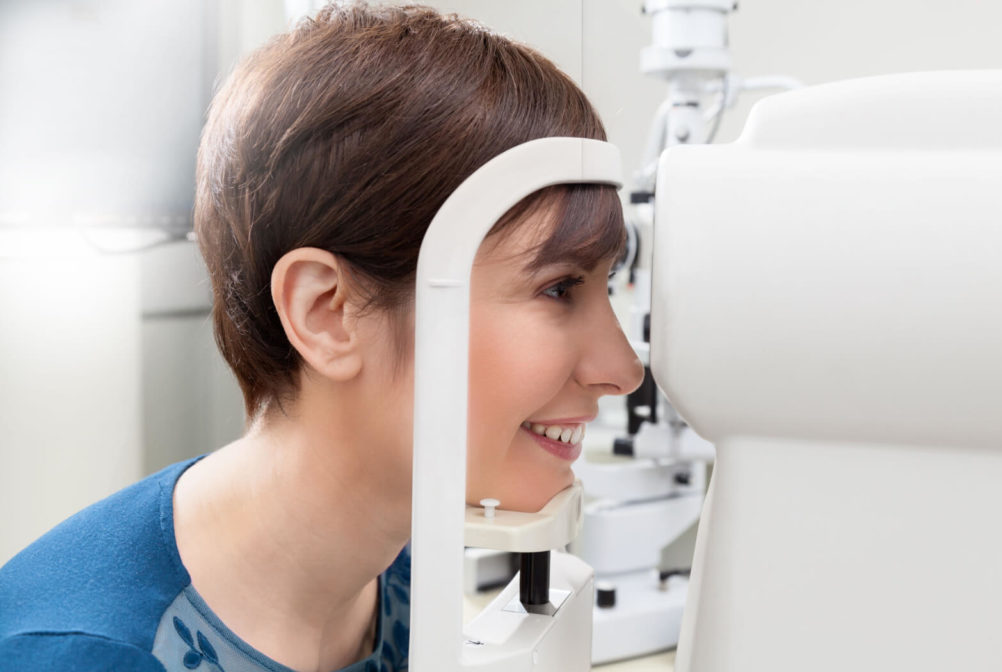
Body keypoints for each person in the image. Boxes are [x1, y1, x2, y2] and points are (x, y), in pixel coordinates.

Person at [0, 3, 643, 671]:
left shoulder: (396, 567)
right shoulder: (81, 655)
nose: (622, 369)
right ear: (327, 313)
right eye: (559, 288)